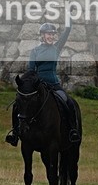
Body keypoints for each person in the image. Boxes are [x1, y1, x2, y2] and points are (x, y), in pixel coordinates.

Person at [5, 16, 80, 146]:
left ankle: (72, 130)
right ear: (42, 36)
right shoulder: (35, 51)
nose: (51, 36)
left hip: (54, 84)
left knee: (69, 102)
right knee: (17, 105)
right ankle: (15, 133)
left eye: (52, 34)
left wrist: (69, 15)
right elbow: (31, 70)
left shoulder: (56, 48)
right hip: (38, 85)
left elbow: (67, 30)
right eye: (48, 34)